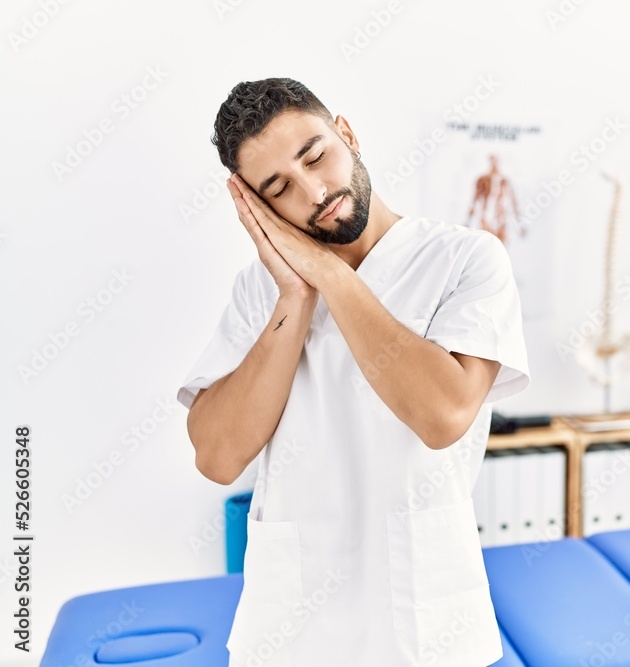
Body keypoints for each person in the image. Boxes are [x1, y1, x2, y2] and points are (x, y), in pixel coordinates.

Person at [176, 78, 530, 667]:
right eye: (279, 188)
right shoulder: (258, 291)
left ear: (346, 133)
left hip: (424, 624)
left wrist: (330, 274)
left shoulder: (466, 260)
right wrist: (296, 295)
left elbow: (443, 416)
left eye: (316, 156)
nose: (315, 191)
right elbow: (217, 456)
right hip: (291, 629)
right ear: (260, 207)